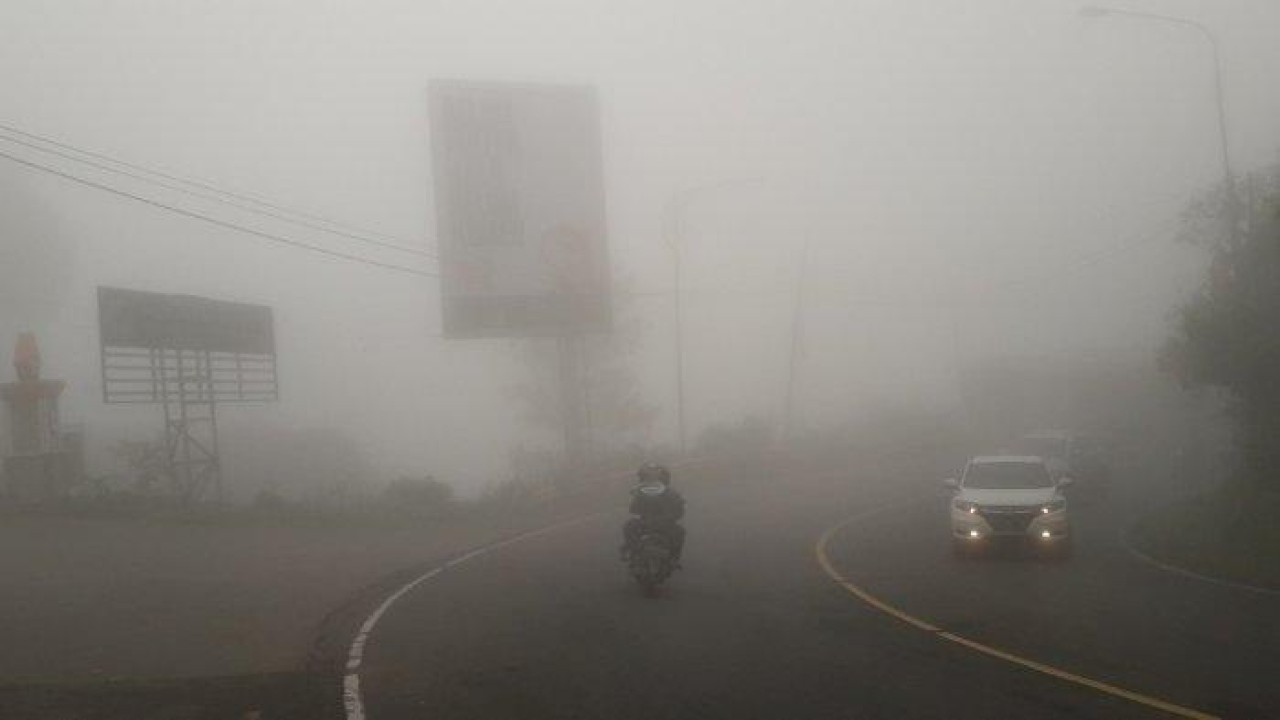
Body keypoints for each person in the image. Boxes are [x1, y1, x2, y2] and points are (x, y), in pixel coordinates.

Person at [621, 463, 686, 566]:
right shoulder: (672, 492)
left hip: (644, 524)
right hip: (664, 525)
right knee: (680, 533)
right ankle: (674, 559)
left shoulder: (639, 491)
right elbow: (679, 512)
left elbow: (633, 509)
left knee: (629, 527)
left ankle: (629, 550)